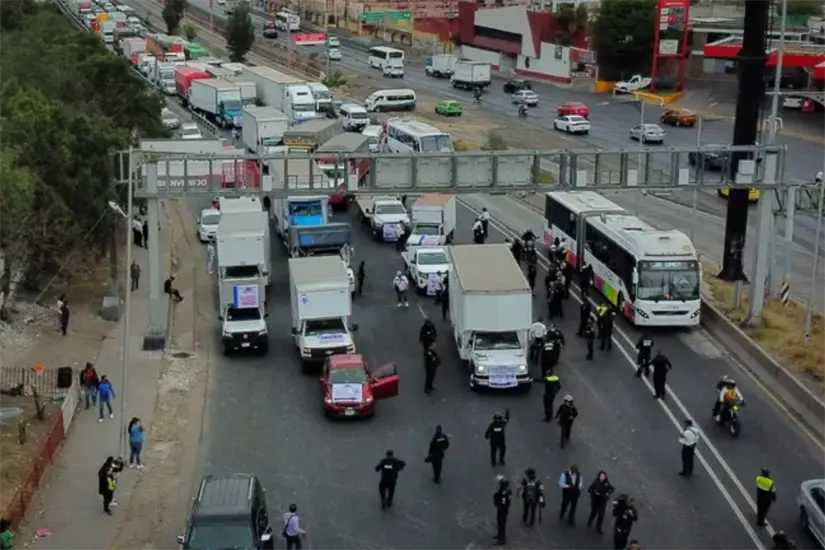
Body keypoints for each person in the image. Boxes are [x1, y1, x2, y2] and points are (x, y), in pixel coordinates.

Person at [493, 476, 512, 546]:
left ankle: (502, 539)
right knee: (499, 523)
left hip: (502, 510)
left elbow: (503, 503)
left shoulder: (504, 493)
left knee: (502, 524)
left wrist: (497, 498)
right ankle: (499, 535)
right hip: (501, 509)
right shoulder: (506, 491)